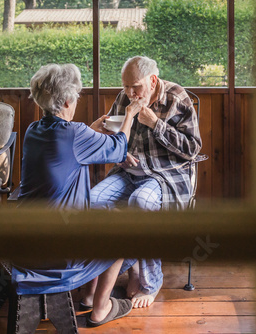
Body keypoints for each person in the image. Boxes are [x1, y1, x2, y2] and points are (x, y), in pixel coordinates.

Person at [14, 63, 139, 328]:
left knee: (100, 216)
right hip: (59, 249)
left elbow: (70, 146)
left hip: (25, 237)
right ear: (69, 100)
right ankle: (101, 308)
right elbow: (119, 147)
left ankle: (88, 295)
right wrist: (130, 114)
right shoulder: (75, 134)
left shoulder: (33, 131)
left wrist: (91, 129)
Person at [90, 56, 202, 308]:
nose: (130, 92)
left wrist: (156, 124)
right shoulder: (124, 98)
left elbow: (192, 149)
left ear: (152, 80)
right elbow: (117, 138)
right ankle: (130, 267)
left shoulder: (177, 97)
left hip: (167, 174)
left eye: (135, 86)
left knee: (140, 202)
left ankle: (151, 281)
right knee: (93, 201)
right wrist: (119, 152)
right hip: (129, 172)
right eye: (125, 86)